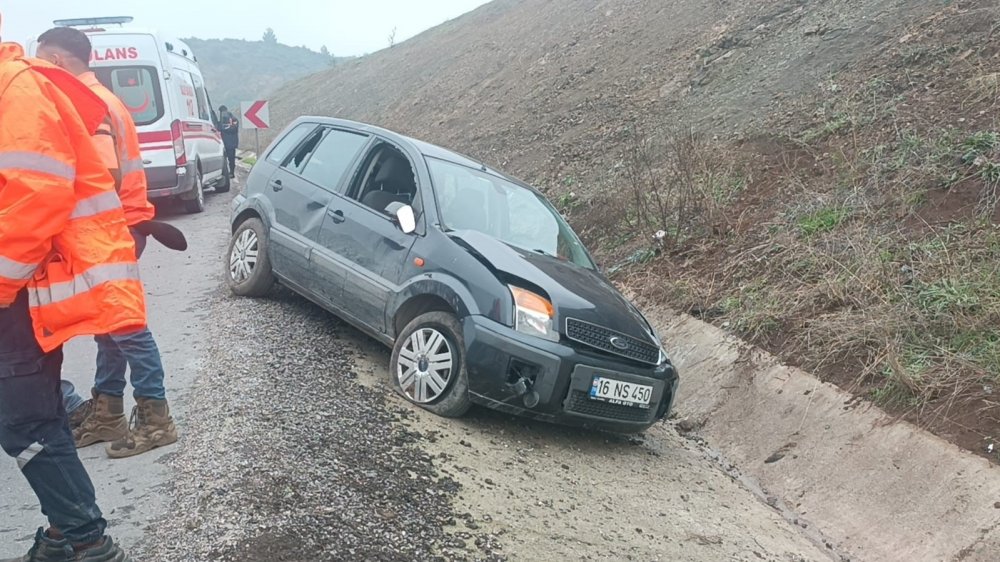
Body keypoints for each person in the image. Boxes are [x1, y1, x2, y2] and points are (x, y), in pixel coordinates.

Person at [0, 14, 138, 562]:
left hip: (21, 287)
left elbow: (38, 197)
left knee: (27, 421)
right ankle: (66, 537)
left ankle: (87, 541)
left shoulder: (14, 88)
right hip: (30, 282)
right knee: (37, 415)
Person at [35, 27, 178, 459]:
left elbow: (100, 176)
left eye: (39, 61)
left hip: (107, 230)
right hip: (117, 226)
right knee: (108, 328)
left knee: (126, 327)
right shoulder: (99, 100)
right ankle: (108, 410)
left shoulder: (84, 106)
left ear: (57, 62)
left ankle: (157, 419)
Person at [218, 104, 239, 177]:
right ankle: (226, 173)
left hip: (230, 143)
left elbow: (233, 129)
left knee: (231, 159)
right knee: (225, 159)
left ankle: (232, 172)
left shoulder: (233, 119)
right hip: (224, 143)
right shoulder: (221, 121)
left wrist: (223, 129)